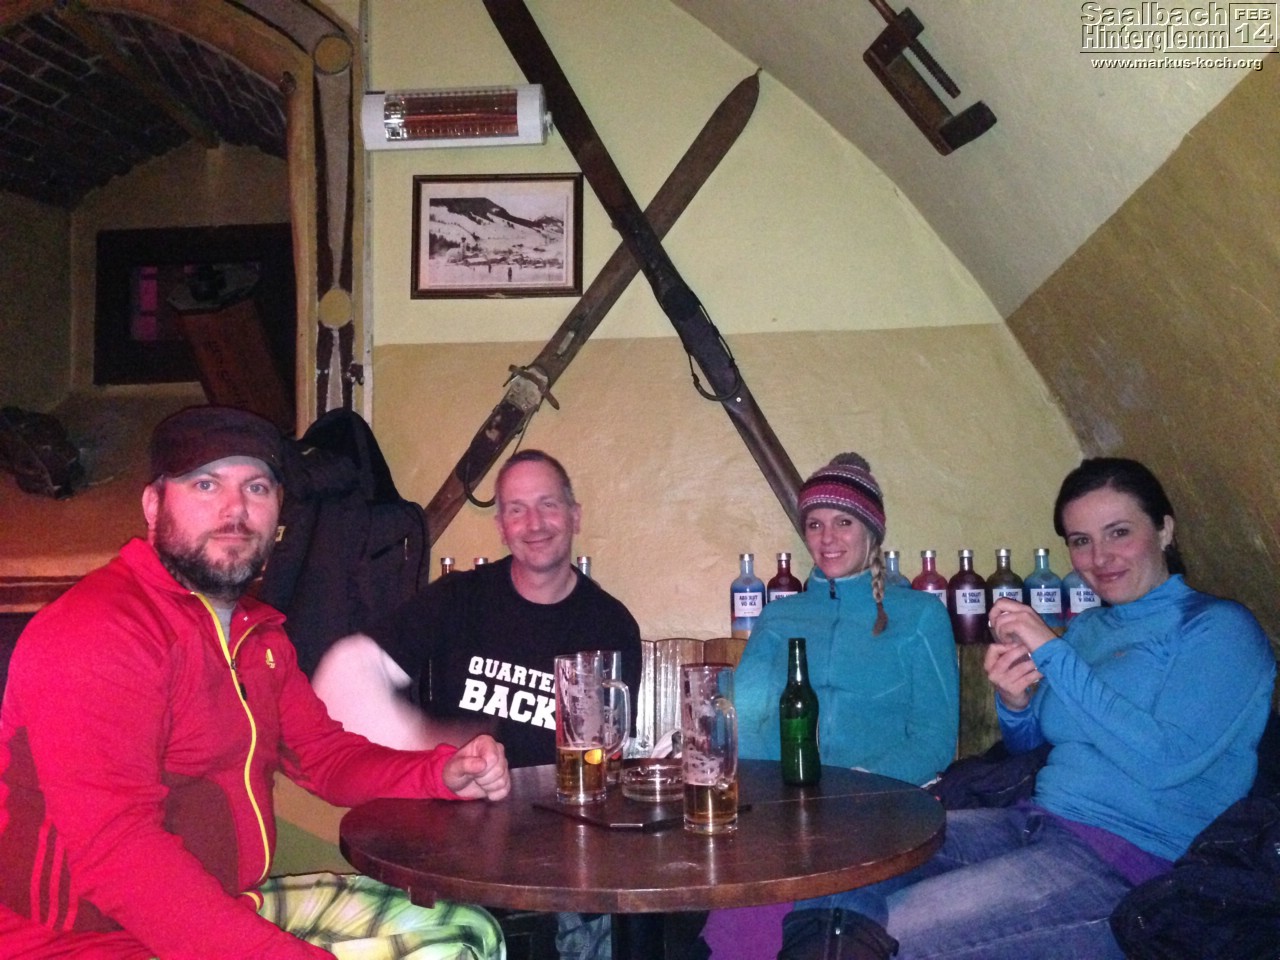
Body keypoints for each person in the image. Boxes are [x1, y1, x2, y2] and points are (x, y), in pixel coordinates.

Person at [0, 405, 511, 960]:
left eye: (257, 487)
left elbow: (326, 758)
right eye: (205, 484)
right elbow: (120, 853)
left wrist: (438, 772)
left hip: (221, 907)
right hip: (80, 941)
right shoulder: (99, 632)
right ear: (153, 505)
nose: (235, 509)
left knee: (465, 933)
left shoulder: (258, 636)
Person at [779, 456, 1276, 960]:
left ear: (1165, 529)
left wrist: (1054, 654)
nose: (1099, 557)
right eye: (1080, 540)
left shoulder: (1218, 628)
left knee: (897, 934)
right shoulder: (1091, 628)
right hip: (1034, 822)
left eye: (1119, 532)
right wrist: (1016, 704)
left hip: (1125, 862)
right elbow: (1036, 745)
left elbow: (1165, 761)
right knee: (847, 855)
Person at [312, 448, 642, 960]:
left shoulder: (610, 624)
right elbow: (342, 675)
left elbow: (606, 760)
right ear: (501, 528)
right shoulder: (460, 597)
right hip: (455, 852)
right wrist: (431, 743)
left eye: (548, 505)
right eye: (516, 509)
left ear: (574, 515)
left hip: (564, 863)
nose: (534, 523)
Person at [704, 453, 959, 959]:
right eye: (815, 524)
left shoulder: (920, 616)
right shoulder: (779, 617)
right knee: (736, 917)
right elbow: (745, 722)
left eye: (844, 522)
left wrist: (852, 789)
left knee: (830, 892)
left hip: (883, 804)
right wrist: (777, 798)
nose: (827, 538)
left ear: (872, 532)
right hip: (785, 810)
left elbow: (934, 740)